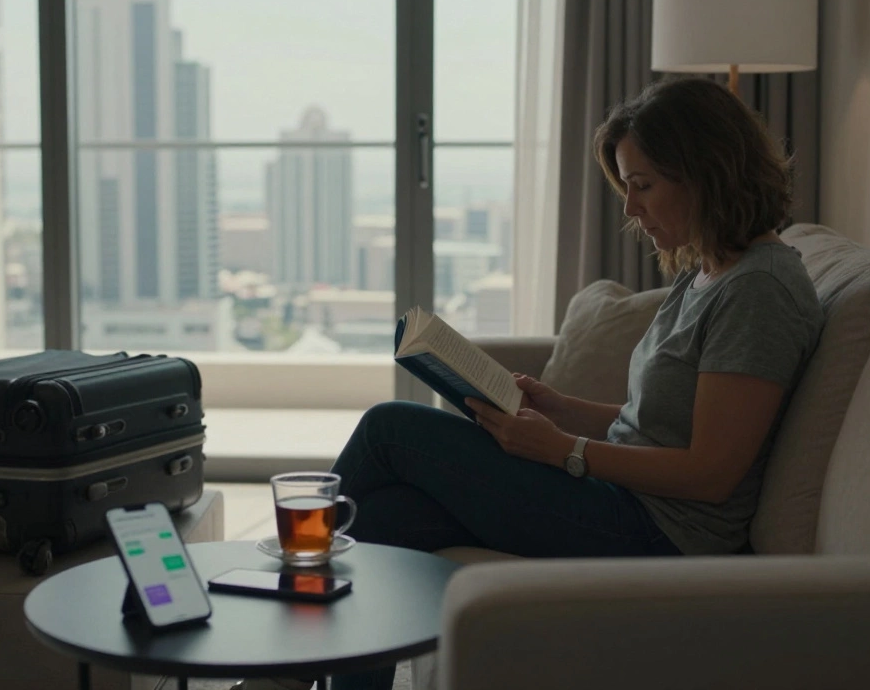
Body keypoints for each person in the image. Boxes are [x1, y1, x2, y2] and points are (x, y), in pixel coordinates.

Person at [239, 76, 825, 690]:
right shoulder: (708, 269)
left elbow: (711, 472)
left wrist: (565, 452)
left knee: (391, 429)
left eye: (643, 186)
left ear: (708, 172)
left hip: (663, 535)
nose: (629, 209)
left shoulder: (759, 290)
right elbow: (655, 423)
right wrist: (560, 407)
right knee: (388, 519)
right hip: (627, 504)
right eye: (626, 188)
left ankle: (275, 678)